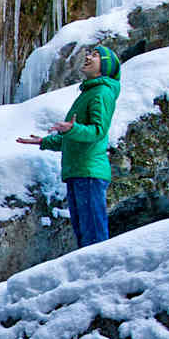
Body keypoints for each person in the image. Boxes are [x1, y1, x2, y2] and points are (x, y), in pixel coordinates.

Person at [17, 44, 122, 248]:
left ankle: (98, 275)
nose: (89, 57)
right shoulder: (89, 93)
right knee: (83, 233)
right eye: (90, 53)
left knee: (93, 235)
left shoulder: (102, 92)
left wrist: (72, 129)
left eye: (96, 55)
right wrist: (43, 141)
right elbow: (73, 136)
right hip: (78, 172)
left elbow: (98, 131)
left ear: (105, 67)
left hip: (90, 172)